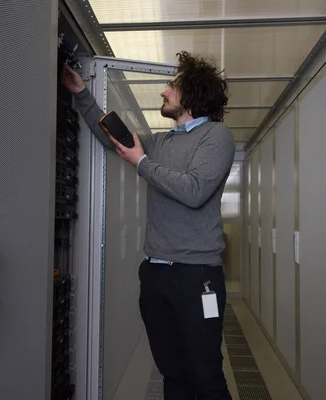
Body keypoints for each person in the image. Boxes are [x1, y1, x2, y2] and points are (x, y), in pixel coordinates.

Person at [62, 51, 235, 400]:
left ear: (192, 94)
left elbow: (194, 190)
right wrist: (82, 94)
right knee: (172, 373)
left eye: (172, 85)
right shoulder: (162, 141)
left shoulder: (217, 137)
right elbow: (117, 138)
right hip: (156, 275)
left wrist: (141, 163)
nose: (164, 92)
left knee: (205, 376)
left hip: (197, 277)